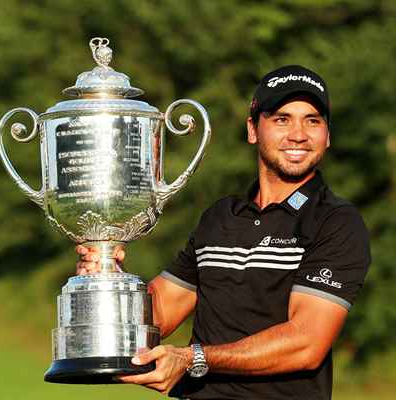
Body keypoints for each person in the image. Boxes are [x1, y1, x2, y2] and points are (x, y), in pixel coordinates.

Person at [76, 65, 371, 399]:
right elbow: (159, 313)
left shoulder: (336, 221)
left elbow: (305, 343)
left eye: (313, 120)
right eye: (281, 119)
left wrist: (194, 358)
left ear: (328, 135)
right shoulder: (219, 218)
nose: (298, 134)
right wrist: (107, 276)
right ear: (253, 129)